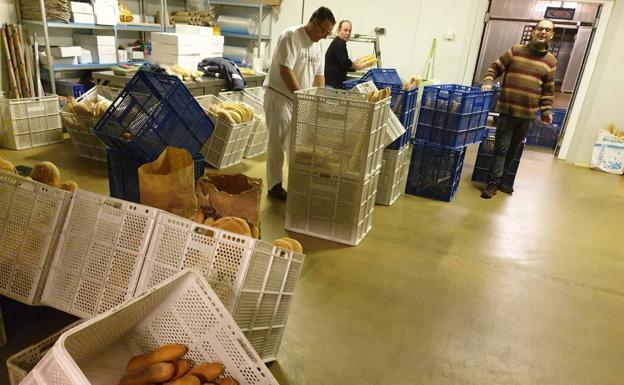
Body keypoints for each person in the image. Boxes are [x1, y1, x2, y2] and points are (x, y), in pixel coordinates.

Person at [263, 6, 335, 200]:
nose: (324, 36)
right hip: (280, 96)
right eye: (323, 31)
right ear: (313, 22)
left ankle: (297, 183)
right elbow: (286, 69)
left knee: (296, 145)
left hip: (300, 99)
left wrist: (316, 100)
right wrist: (302, 96)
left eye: (328, 33)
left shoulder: (318, 44)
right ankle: (274, 185)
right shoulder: (291, 36)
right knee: (277, 142)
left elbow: (319, 75)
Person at [480, 19, 558, 199]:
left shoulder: (551, 61)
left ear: (551, 35)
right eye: (540, 29)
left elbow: (548, 90)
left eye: (547, 30)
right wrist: (488, 81)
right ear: (534, 31)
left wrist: (546, 111)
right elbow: (495, 67)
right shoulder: (516, 51)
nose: (543, 32)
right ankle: (492, 183)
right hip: (507, 110)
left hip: (527, 114)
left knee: (513, 149)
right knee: (501, 148)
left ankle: (500, 182)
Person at [324, 20, 367, 89]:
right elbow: (345, 62)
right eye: (345, 30)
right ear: (339, 30)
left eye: (349, 31)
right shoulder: (338, 43)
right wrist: (356, 66)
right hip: (332, 85)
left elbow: (343, 65)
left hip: (335, 84)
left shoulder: (341, 43)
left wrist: (354, 65)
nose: (348, 33)